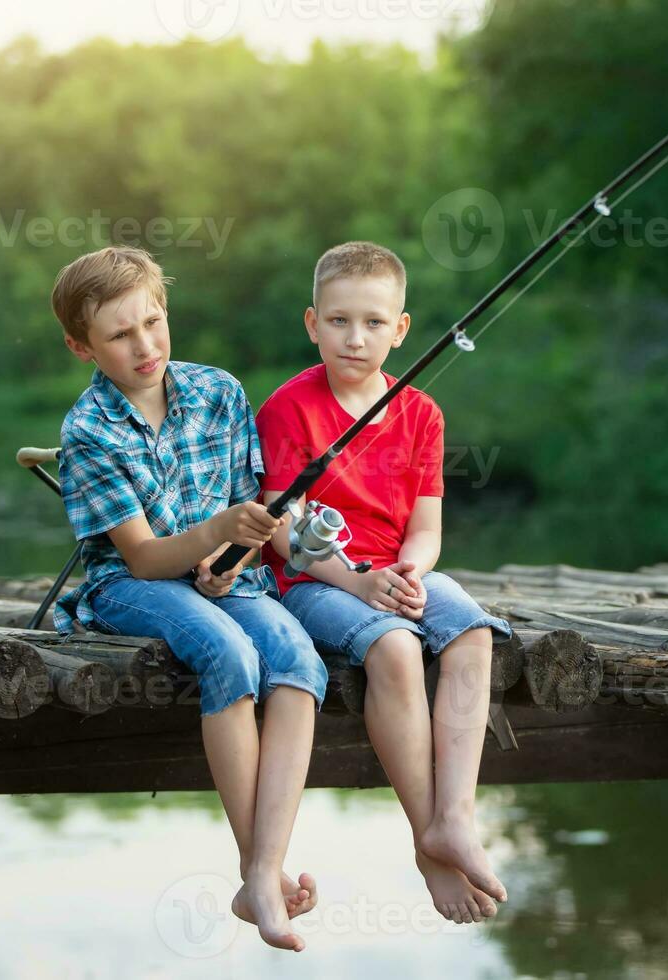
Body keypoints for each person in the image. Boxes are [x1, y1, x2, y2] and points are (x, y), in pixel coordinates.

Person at [50, 245, 325, 951]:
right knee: (228, 652)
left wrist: (234, 556)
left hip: (222, 577)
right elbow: (142, 557)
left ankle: (264, 869)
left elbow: (249, 515)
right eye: (119, 335)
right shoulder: (88, 432)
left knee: (297, 657)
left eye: (152, 322)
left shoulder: (220, 393)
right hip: (131, 587)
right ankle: (254, 866)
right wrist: (214, 532)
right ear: (82, 346)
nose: (144, 345)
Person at [256, 240, 514, 925]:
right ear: (312, 324)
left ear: (401, 330)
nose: (355, 337)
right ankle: (425, 839)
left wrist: (413, 570)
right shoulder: (289, 409)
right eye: (338, 321)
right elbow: (285, 529)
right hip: (316, 580)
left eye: (374, 322)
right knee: (397, 650)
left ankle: (456, 816)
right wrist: (358, 583)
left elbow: (426, 527)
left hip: (396, 572)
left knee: (471, 632)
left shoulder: (420, 413)